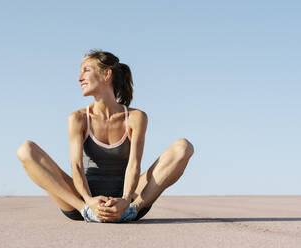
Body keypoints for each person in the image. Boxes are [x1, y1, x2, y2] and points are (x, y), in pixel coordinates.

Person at [17, 49, 194, 223]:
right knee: (26, 150)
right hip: (82, 201)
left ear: (106, 74)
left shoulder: (135, 117)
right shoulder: (78, 118)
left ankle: (133, 210)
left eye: (86, 70)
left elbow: (134, 164)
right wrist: (87, 201)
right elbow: (76, 166)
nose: (79, 78)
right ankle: (86, 212)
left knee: (183, 147)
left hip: (127, 202)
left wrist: (126, 200)